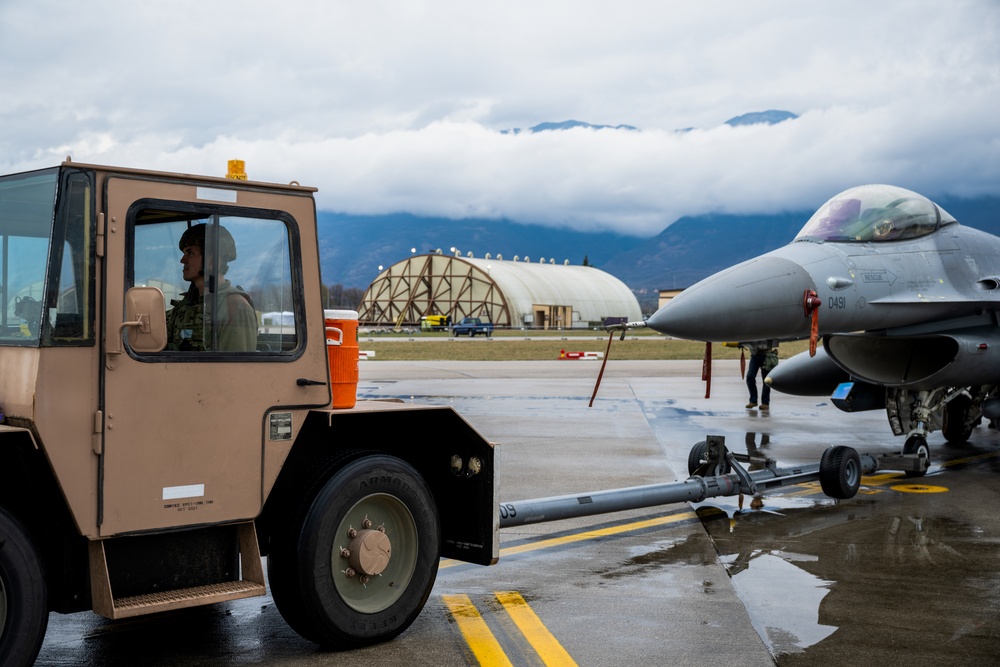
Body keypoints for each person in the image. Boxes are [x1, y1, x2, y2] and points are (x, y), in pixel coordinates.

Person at [166, 223, 257, 351]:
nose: (182, 260)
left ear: (211, 260)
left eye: (190, 253)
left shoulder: (234, 306)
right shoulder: (185, 306)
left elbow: (236, 367)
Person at [743, 340, 778, 410]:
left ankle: (765, 403)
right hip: (755, 355)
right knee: (750, 377)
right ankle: (753, 401)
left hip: (767, 355)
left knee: (766, 380)